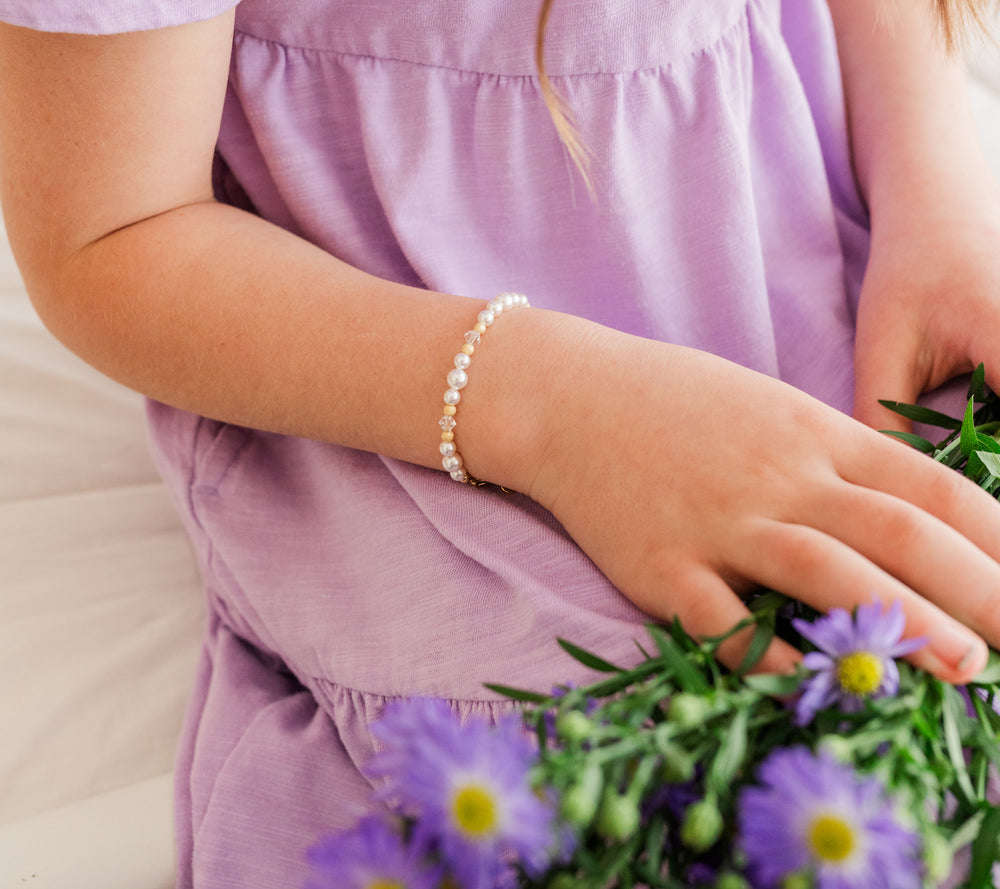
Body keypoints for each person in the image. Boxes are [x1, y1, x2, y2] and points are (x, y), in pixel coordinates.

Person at [1, 0, 999, 884]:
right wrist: (557, 414)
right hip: (401, 364)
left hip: (809, 232)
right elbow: (115, 229)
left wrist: (938, 197)